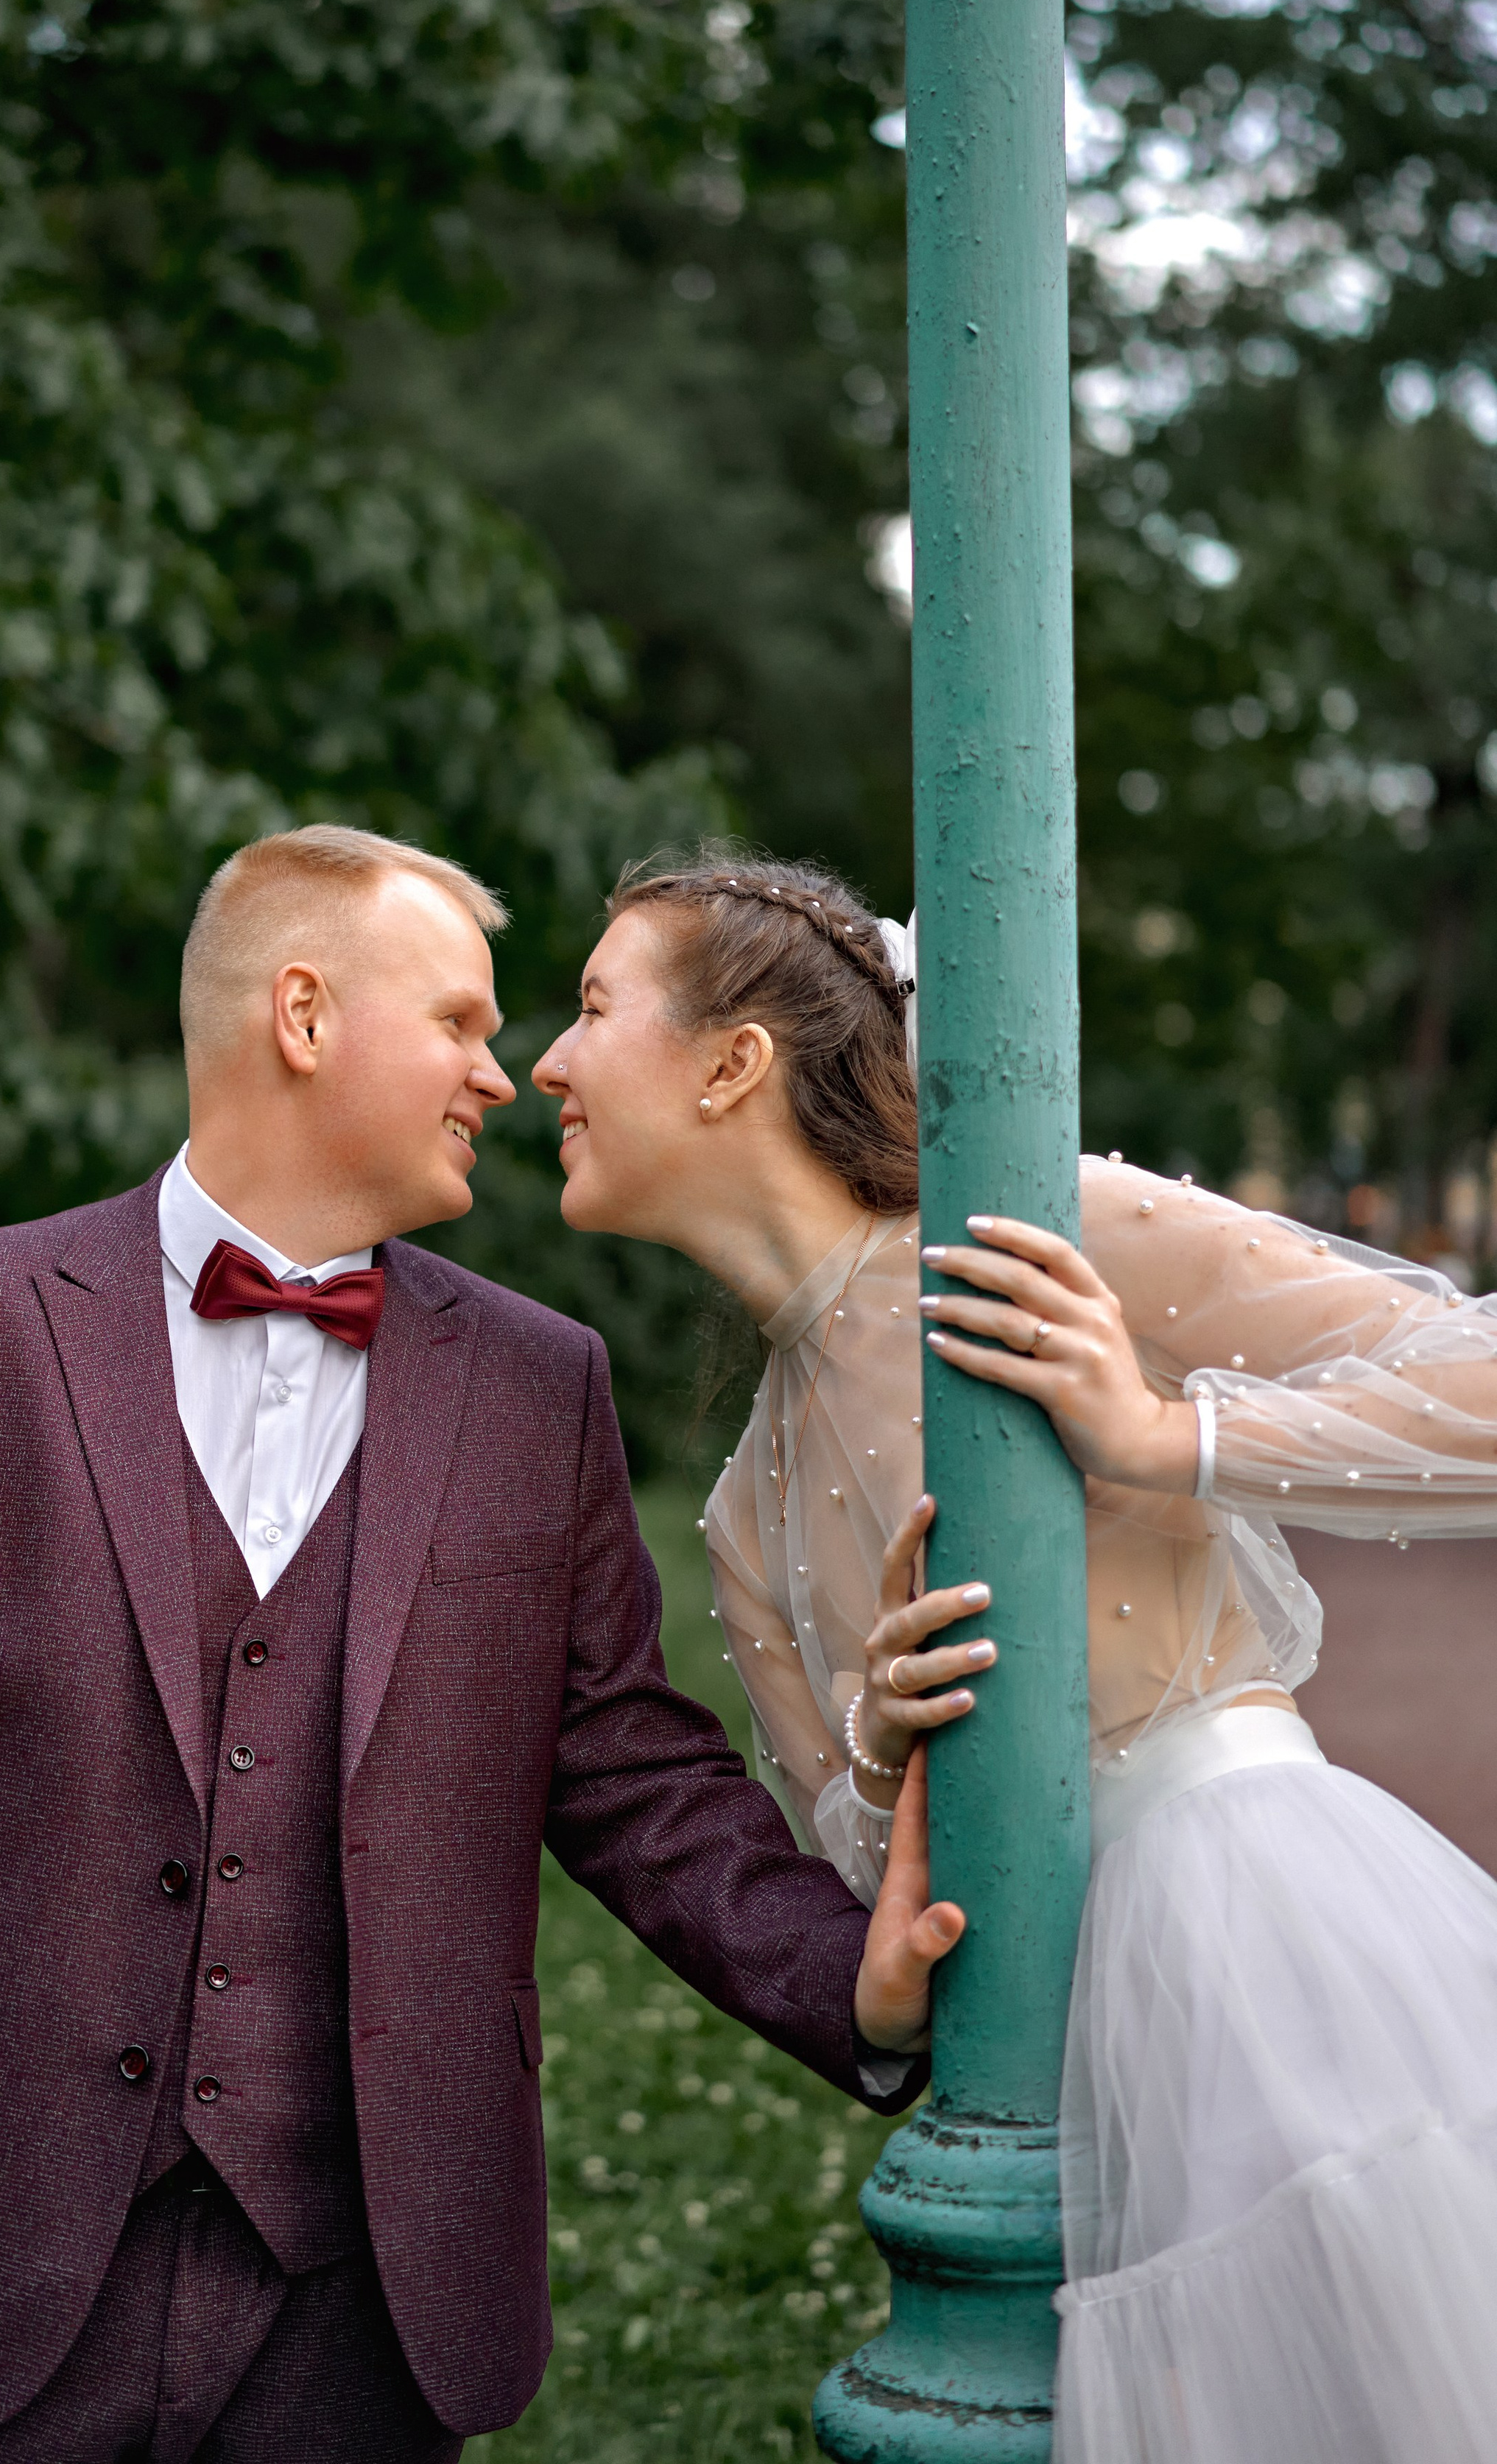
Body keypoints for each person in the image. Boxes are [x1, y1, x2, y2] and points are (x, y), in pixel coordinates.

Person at [0, 824, 960, 2464]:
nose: (501, 1074)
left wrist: (847, 1976)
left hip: (362, 2305)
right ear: (300, 1015)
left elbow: (630, 1770)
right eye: (460, 1023)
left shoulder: (533, 1387)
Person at [533, 845, 1497, 2464]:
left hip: (1271, 1947)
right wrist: (882, 1756)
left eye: (587, 1005)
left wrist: (1158, 1433)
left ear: (730, 1064)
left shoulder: (1025, 1233)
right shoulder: (735, 1516)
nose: (542, 1064)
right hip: (1049, 2065)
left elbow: (1470, 1380)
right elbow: (870, 1898)